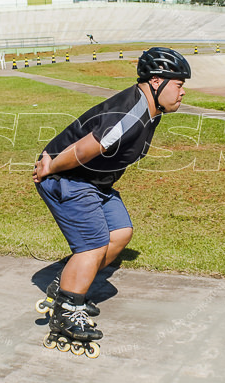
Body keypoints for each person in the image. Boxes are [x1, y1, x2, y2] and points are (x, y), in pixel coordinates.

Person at [32, 47, 191, 357]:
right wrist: (51, 165)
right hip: (68, 178)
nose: (182, 91)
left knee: (119, 234)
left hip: (94, 183)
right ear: (156, 81)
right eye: (179, 84)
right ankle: (67, 311)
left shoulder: (150, 110)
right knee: (92, 245)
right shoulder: (130, 113)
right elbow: (88, 147)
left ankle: (66, 284)